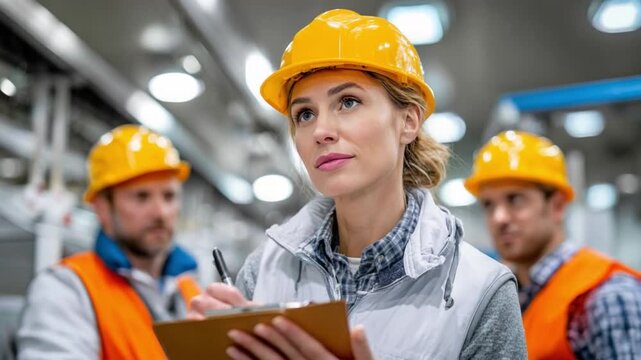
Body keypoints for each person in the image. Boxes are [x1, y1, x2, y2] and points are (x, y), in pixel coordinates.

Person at [188, 9, 526, 359]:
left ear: (408, 121)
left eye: (348, 102)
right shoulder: (264, 269)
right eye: (305, 114)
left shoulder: (481, 292)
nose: (321, 131)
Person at [16, 125, 201, 359]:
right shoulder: (66, 289)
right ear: (102, 208)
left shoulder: (191, 291)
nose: (161, 212)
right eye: (141, 197)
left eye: (169, 196)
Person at [464, 130, 641, 359]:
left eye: (515, 199)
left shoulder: (608, 298)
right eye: (488, 205)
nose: (499, 218)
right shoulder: (504, 297)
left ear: (557, 206)